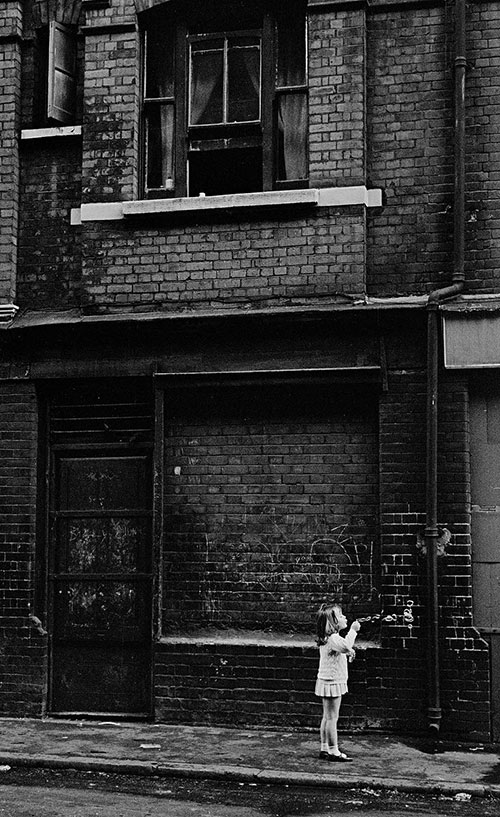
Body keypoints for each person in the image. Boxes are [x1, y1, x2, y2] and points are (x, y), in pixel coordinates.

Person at [315, 601, 361, 762]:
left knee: (326, 717)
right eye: (341, 616)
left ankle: (324, 747)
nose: (345, 617)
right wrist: (353, 631)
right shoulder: (334, 638)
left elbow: (342, 649)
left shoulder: (329, 638)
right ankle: (334, 751)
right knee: (333, 718)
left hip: (326, 680)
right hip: (333, 682)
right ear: (334, 623)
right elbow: (346, 645)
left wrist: (348, 652)